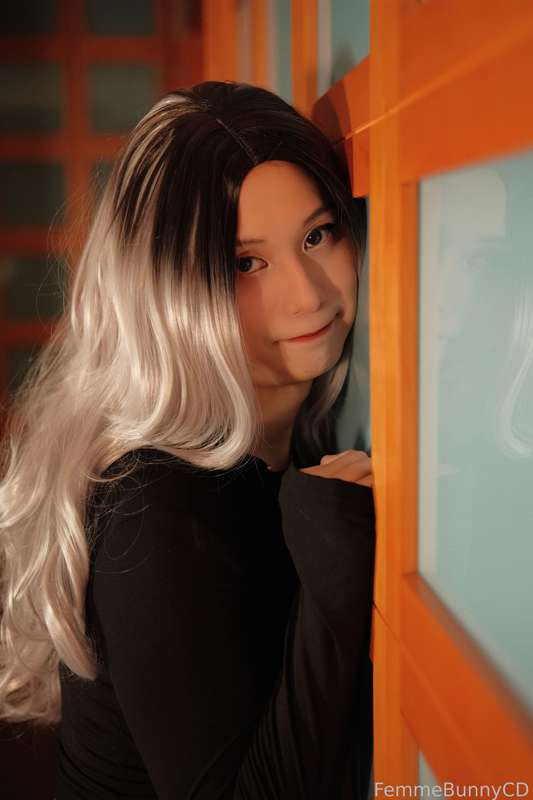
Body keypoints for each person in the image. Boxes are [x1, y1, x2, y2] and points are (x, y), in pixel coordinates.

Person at [0, 80, 375, 798]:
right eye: (245, 263)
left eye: (317, 235)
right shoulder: (158, 505)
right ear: (168, 289)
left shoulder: (271, 448)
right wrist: (332, 576)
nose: (307, 294)